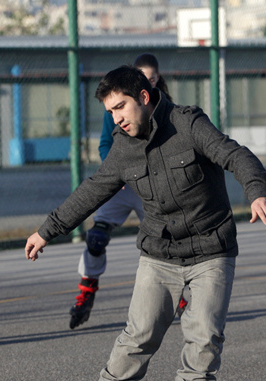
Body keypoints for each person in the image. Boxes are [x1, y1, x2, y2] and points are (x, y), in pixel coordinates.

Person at [25, 66, 266, 381]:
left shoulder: (187, 122)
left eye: (121, 107)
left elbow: (234, 155)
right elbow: (92, 191)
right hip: (159, 256)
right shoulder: (122, 146)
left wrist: (257, 191)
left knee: (204, 334)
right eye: (110, 112)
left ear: (144, 97)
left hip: (211, 249)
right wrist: (46, 230)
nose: (117, 118)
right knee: (140, 332)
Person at [69, 53, 189, 329]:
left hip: (152, 184)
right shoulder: (118, 108)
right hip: (125, 182)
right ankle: (86, 291)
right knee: (96, 237)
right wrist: (118, 170)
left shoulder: (169, 109)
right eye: (141, 78)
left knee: (166, 238)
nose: (145, 83)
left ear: (157, 80)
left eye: (151, 79)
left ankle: (181, 296)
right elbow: (104, 145)